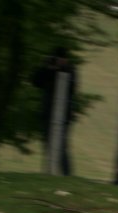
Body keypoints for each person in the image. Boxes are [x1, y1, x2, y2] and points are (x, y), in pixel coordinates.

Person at [32, 47, 77, 175]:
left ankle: (66, 174)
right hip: (48, 111)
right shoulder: (49, 69)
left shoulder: (70, 70)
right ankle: (50, 172)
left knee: (61, 146)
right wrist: (49, 68)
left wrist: (60, 69)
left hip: (64, 113)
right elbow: (36, 81)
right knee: (48, 143)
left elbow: (72, 88)